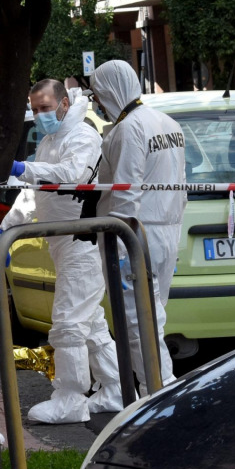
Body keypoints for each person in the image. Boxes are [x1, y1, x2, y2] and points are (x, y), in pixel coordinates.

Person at [5, 79, 123, 423]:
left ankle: (70, 398)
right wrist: (7, 229)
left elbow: (72, 176)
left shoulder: (83, 138)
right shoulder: (50, 141)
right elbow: (35, 194)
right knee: (91, 324)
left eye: (45, 108)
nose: (40, 115)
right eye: (35, 109)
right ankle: (114, 388)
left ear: (64, 104)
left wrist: (23, 168)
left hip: (82, 242)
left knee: (69, 323)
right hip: (64, 243)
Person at [90, 59, 187, 394]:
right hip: (166, 233)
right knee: (154, 316)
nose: (97, 103)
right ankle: (162, 389)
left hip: (135, 235)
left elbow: (126, 193)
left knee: (137, 322)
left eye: (97, 94)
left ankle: (156, 394)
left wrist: (118, 239)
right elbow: (180, 186)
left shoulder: (129, 129)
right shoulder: (167, 122)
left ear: (109, 90)